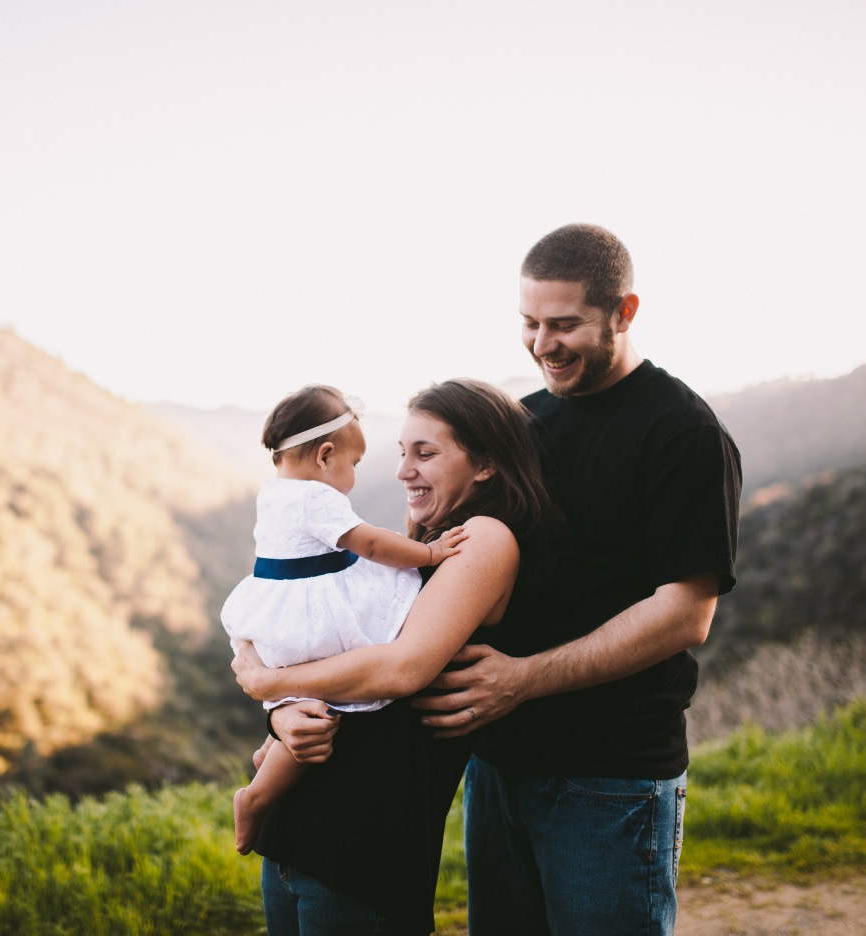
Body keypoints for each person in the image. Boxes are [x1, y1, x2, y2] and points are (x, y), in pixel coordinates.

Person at [258, 224, 742, 935]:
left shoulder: (681, 431)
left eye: (566, 324)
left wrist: (523, 679)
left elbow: (684, 613)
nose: (543, 343)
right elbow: (406, 594)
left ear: (624, 312)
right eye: (530, 323)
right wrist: (279, 698)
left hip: (609, 775)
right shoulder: (521, 425)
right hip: (497, 763)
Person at [232, 378, 552, 935]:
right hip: (299, 831)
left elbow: (401, 668)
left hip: (364, 848)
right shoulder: (417, 540)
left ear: (485, 465)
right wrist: (280, 710)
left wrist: (265, 683)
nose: (403, 470)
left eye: (425, 454)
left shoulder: (484, 537)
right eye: (403, 452)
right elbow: (304, 627)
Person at [221, 384, 469, 855]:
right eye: (354, 464)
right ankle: (256, 796)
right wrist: (430, 551)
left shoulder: (275, 492)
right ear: (325, 455)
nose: (355, 475)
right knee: (323, 704)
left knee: (302, 697)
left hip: (275, 610)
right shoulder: (316, 498)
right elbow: (371, 544)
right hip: (309, 619)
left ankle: (269, 752)